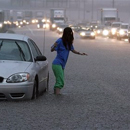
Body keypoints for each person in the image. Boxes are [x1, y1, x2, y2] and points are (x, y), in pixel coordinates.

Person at [51, 27, 87, 95]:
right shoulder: (59, 41)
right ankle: (57, 95)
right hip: (56, 64)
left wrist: (80, 53)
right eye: (69, 33)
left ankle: (55, 94)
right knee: (60, 82)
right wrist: (54, 46)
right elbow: (51, 49)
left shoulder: (68, 42)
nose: (70, 35)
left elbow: (73, 50)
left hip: (62, 65)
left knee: (59, 80)